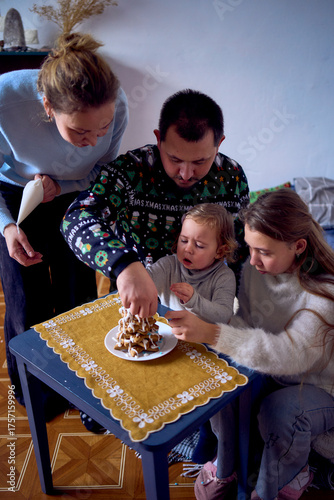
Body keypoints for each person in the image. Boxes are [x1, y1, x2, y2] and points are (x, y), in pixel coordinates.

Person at [165, 189, 334, 500]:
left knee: (281, 411)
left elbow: (288, 355)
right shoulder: (255, 270)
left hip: (321, 388)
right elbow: (245, 321)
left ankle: (282, 481)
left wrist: (212, 333)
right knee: (220, 380)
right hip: (274, 374)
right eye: (250, 248)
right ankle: (225, 464)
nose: (252, 259)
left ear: (298, 246)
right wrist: (203, 314)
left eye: (264, 252)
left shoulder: (324, 295)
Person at [0, 32, 128, 412]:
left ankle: (82, 383)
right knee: (27, 300)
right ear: (47, 107)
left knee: (79, 297)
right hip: (12, 197)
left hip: (75, 194)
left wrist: (66, 183)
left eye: (101, 129)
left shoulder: (116, 105)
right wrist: (7, 227)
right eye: (80, 131)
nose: (92, 141)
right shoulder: (4, 101)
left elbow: (104, 171)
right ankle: (36, 395)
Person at [61, 89, 249, 321]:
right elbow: (76, 217)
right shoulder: (130, 171)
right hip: (137, 302)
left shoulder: (232, 177)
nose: (186, 174)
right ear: (159, 139)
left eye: (201, 161)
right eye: (175, 159)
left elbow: (239, 248)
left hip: (207, 313)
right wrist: (124, 266)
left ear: (219, 144)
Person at [147, 203, 237, 324]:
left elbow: (224, 316)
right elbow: (145, 281)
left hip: (204, 340)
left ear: (220, 251)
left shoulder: (224, 276)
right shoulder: (168, 265)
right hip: (169, 334)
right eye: (184, 240)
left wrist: (194, 300)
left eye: (199, 245)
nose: (187, 249)